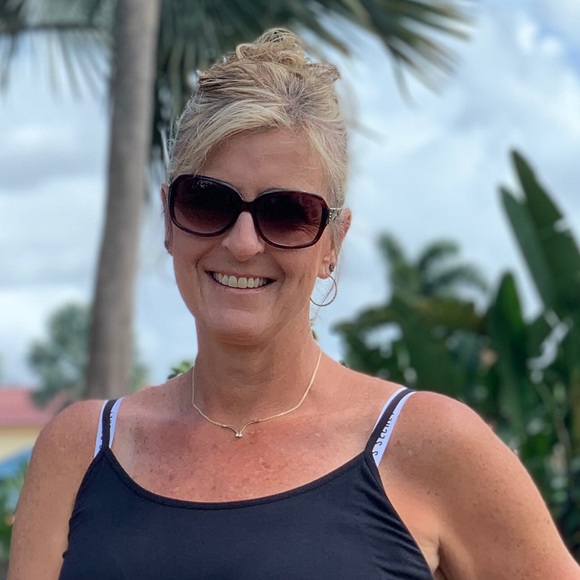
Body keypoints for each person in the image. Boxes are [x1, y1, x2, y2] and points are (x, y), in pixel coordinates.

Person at [8, 28, 579, 579]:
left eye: (287, 213)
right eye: (207, 202)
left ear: (333, 243)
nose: (242, 243)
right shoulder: (82, 449)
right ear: (168, 219)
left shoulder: (430, 445)